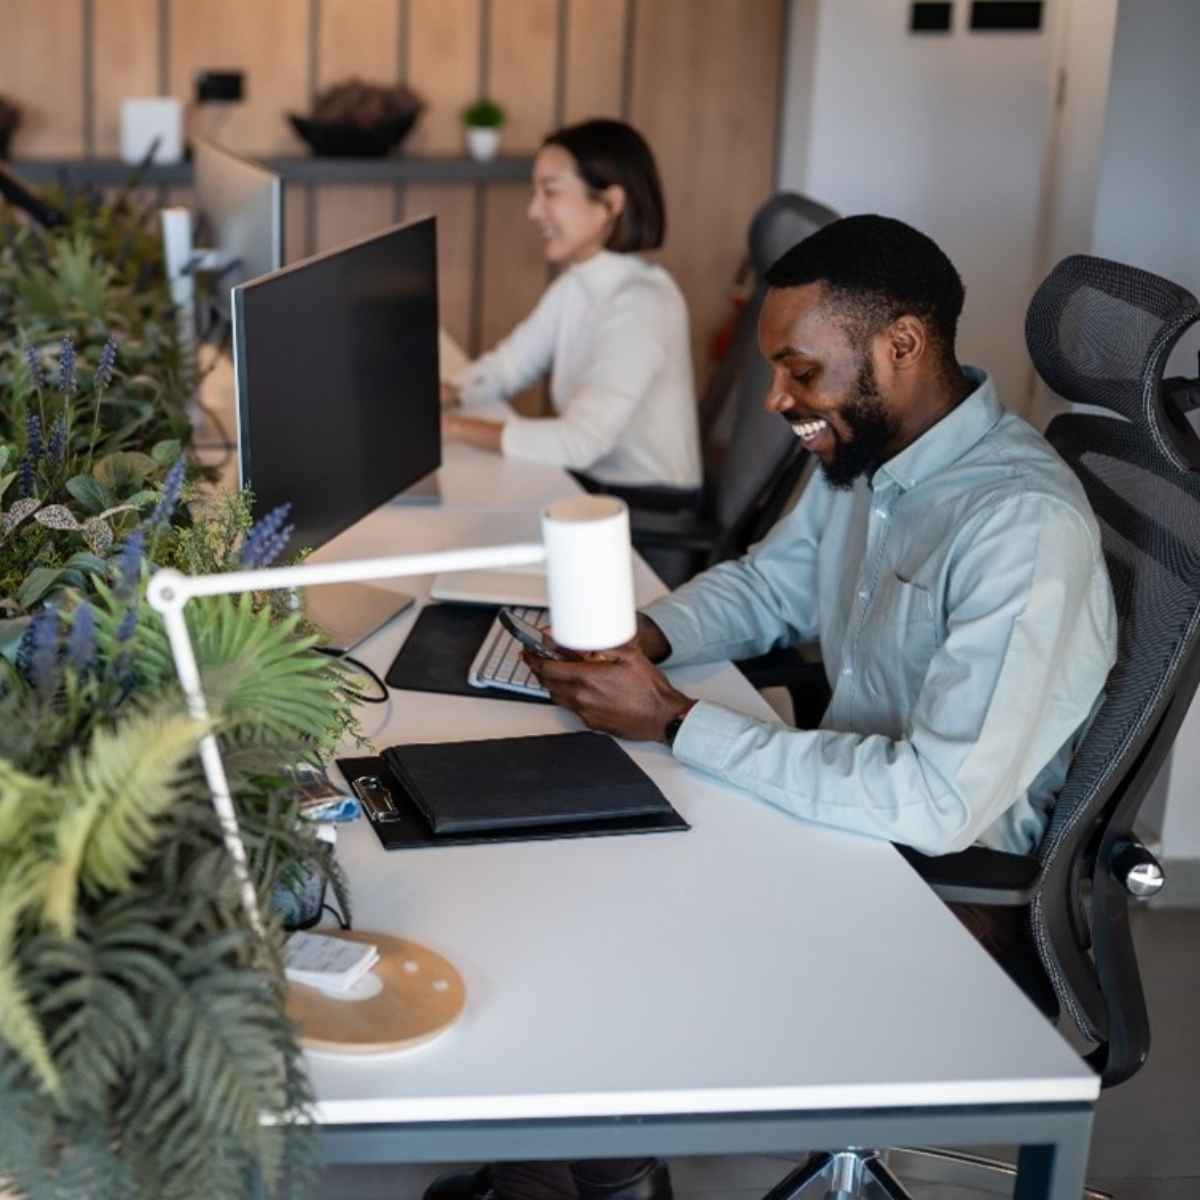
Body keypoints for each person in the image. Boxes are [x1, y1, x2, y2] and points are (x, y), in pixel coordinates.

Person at [440, 119, 702, 503]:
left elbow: (581, 442)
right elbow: (512, 365)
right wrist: (450, 393)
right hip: (597, 489)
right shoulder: (579, 284)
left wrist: (453, 428)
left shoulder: (642, 304)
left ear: (611, 203)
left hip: (647, 512)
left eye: (550, 192)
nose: (534, 210)